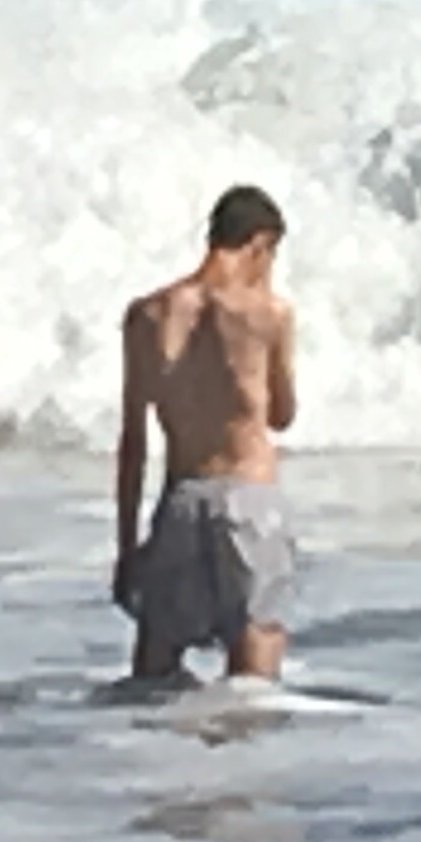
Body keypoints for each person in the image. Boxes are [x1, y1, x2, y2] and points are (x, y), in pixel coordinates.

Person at [116, 184, 301, 682]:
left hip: (181, 497)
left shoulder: (147, 315)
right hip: (248, 495)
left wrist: (127, 547)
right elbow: (282, 415)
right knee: (256, 652)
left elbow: (133, 442)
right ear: (259, 245)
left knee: (156, 665)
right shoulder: (268, 314)